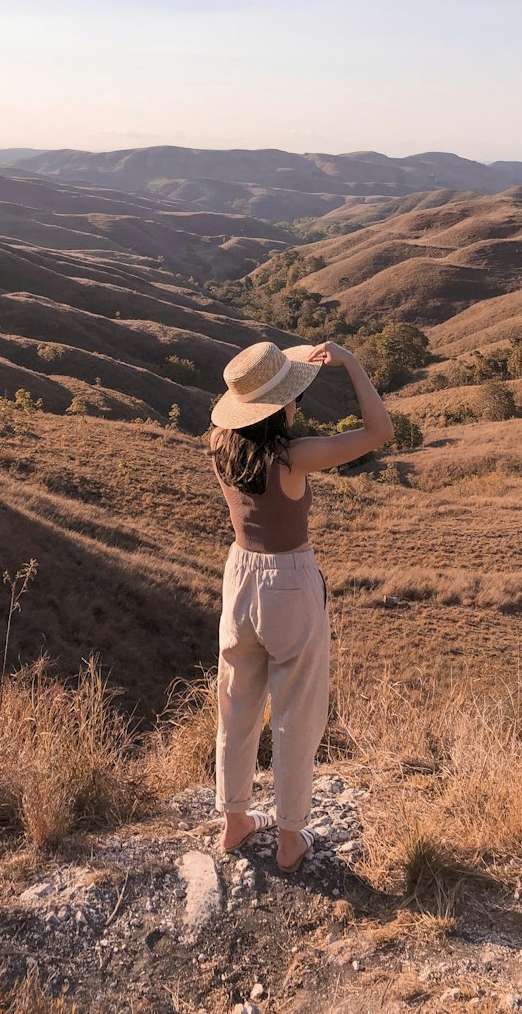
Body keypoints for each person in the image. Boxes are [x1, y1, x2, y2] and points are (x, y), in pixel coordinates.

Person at [208, 338, 394, 872]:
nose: (297, 405)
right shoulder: (294, 457)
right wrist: (353, 364)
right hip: (289, 579)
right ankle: (291, 838)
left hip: (239, 576)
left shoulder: (220, 443)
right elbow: (380, 432)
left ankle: (235, 821)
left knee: (237, 703)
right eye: (292, 398)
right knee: (296, 712)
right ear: (279, 407)